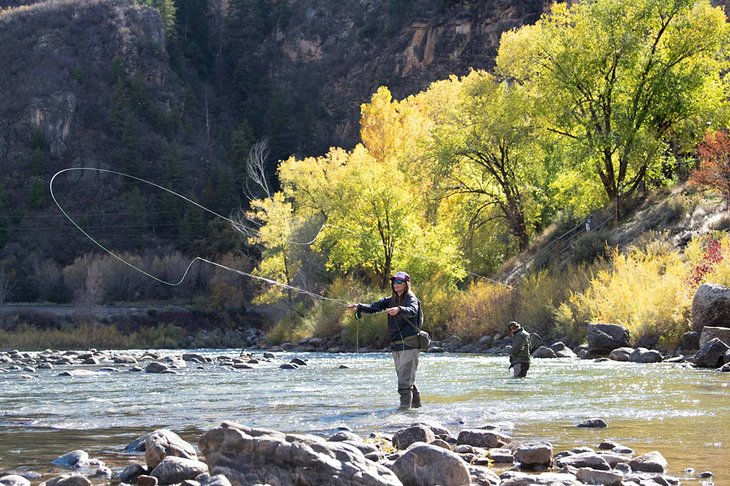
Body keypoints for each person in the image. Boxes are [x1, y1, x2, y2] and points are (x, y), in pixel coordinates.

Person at [349, 271, 423, 410]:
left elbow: (412, 310)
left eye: (399, 282)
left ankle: (404, 411)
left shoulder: (411, 298)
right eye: (394, 281)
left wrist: (399, 309)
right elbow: (373, 307)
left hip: (410, 344)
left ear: (406, 284)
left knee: (404, 381)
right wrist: (359, 307)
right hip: (396, 345)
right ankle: (416, 408)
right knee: (405, 378)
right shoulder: (390, 300)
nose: (396, 284)